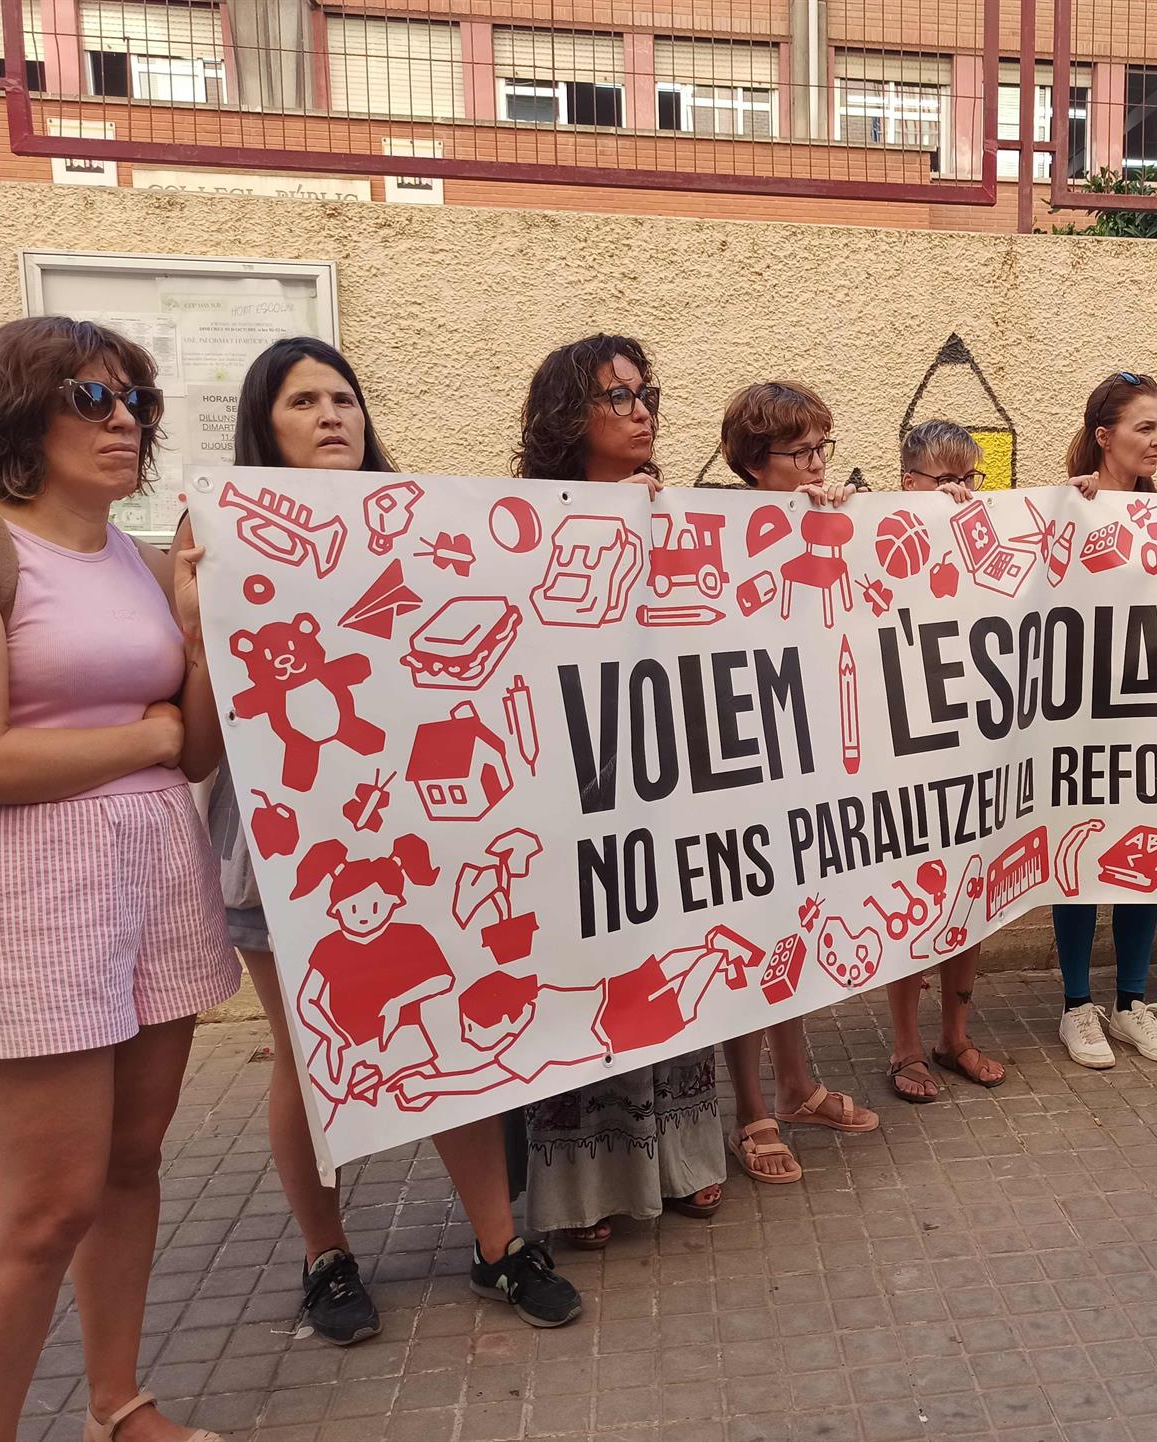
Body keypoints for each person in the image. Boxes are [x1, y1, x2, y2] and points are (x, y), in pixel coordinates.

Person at [186, 337, 581, 1341]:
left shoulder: (413, 515)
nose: (331, 415)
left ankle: (498, 1243)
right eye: (303, 400)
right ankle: (326, 1255)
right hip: (280, 845)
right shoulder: (214, 529)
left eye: (344, 397)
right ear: (262, 423)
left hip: (417, 831)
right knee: (306, 1054)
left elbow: (517, 585)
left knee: (442, 1020)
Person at [0, 317, 242, 1442]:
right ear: (18, 412)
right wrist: (147, 738)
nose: (125, 420)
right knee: (46, 1206)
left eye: (137, 401)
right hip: (36, 886)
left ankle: (117, 1402)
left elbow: (197, 751)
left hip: (154, 869)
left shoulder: (140, 558)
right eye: (91, 396)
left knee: (130, 1164)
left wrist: (200, 642)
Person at [512, 333, 727, 1243]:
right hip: (571, 794)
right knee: (582, 981)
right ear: (570, 415)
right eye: (617, 397)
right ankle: (582, 1191)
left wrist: (817, 510)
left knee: (663, 967)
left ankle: (684, 1161)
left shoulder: (675, 512)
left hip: (663, 790)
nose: (641, 412)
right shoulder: (524, 523)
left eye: (647, 396)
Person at [718, 380, 881, 1180]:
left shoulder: (824, 520)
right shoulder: (716, 529)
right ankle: (752, 1109)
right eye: (800, 452)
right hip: (741, 768)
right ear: (755, 462)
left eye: (823, 446)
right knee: (747, 932)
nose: (818, 464)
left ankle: (795, 1084)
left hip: (806, 761)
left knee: (792, 929)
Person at [1053, 372, 1157, 1069]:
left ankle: (1132, 1002)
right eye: (1145, 427)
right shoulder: (1065, 506)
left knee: (1146, 846)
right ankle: (1077, 1006)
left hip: (1153, 713)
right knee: (1080, 854)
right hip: (1080, 713)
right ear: (1105, 436)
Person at [882, 421, 1008, 1102]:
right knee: (912, 901)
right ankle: (905, 1046)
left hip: (975, 745)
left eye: (971, 477)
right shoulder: (876, 537)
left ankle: (954, 1036)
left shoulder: (988, 537)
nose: (963, 491)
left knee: (971, 894)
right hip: (905, 753)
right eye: (947, 479)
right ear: (910, 484)